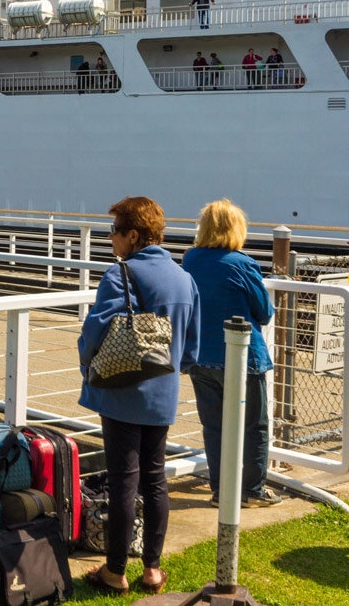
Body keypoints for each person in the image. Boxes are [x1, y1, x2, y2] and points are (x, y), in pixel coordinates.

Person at [78, 197, 200, 595]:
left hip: (122, 392)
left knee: (123, 480)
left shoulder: (122, 275)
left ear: (133, 235)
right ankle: (152, 570)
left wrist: (87, 366)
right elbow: (192, 348)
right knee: (155, 479)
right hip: (163, 394)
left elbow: (94, 332)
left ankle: (115, 572)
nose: (110, 238)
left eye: (114, 231)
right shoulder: (185, 278)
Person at [183, 199, 282, 509]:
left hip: (202, 356)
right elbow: (264, 312)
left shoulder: (191, 260)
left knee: (214, 428)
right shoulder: (243, 264)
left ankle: (221, 490)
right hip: (241, 359)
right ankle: (252, 490)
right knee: (255, 426)